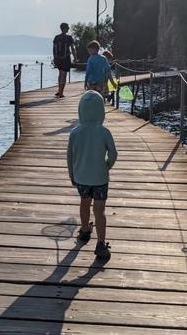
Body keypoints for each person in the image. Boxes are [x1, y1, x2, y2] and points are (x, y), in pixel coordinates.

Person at [67, 90, 117, 261]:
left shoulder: (74, 132)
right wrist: (106, 166)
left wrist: (72, 174)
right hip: (100, 178)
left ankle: (84, 230)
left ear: (80, 110)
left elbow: (70, 156)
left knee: (84, 202)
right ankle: (101, 244)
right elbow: (113, 154)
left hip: (81, 177)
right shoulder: (104, 132)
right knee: (99, 210)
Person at [53, 23, 77, 98]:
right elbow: (72, 48)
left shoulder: (56, 37)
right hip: (66, 58)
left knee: (60, 73)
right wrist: (75, 57)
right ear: (64, 28)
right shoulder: (69, 38)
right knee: (64, 74)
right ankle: (61, 93)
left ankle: (59, 90)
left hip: (58, 59)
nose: (69, 28)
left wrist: (55, 58)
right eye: (67, 27)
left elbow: (54, 49)